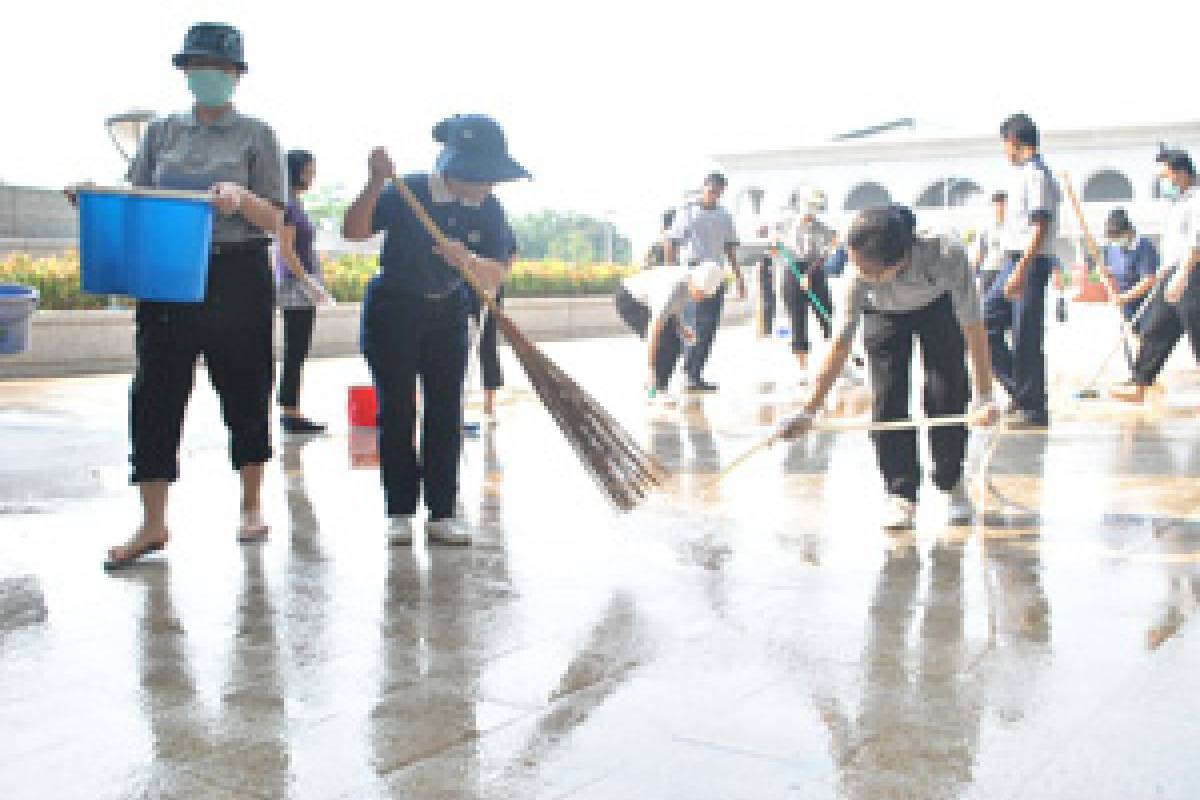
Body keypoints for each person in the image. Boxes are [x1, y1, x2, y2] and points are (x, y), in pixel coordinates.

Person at [96, 23, 286, 570]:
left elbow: (276, 217)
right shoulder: (162, 133)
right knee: (155, 392)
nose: (209, 76)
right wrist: (91, 202)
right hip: (169, 275)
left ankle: (250, 505)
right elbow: (137, 198)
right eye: (199, 66)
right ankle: (152, 522)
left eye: (220, 68)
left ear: (235, 76)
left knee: (246, 387)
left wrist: (240, 197)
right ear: (185, 71)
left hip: (237, 271)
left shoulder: (256, 134)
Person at [342, 114, 524, 547]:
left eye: (491, 178)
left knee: (446, 415)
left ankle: (442, 511)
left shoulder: (490, 208)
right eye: (479, 177)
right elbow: (354, 230)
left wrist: (468, 262)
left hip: (448, 316)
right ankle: (400, 511)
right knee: (397, 412)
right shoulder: (410, 190)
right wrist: (373, 181)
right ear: (453, 166)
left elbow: (496, 274)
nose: (486, 187)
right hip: (393, 312)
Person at [777, 206, 999, 530]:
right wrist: (809, 409)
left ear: (899, 260)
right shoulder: (857, 275)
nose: (857, 272)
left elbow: (974, 326)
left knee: (946, 393)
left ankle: (951, 483)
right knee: (888, 399)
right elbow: (839, 344)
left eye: (868, 271)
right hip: (882, 315)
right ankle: (900, 493)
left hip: (938, 308)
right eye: (854, 264)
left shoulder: (946, 252)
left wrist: (984, 395)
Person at [983, 113, 1060, 428]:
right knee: (984, 322)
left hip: (1029, 262)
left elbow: (1040, 227)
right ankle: (1021, 391)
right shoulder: (1022, 175)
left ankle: (1033, 408)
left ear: (1013, 141)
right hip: (1012, 262)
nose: (1004, 151)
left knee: (1026, 335)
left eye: (1005, 143)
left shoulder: (1037, 176)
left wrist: (1021, 270)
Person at [1111, 150, 1200, 403]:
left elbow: (1196, 242)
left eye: (1164, 176)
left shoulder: (1197, 201)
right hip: (1173, 272)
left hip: (1192, 273)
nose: (1163, 183)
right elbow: (1175, 245)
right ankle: (1140, 385)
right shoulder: (1177, 203)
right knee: (1155, 329)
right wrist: (1164, 272)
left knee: (1197, 331)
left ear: (1180, 173)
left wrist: (1182, 276)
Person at [665, 172, 745, 392]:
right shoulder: (687, 211)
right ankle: (687, 372)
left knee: (709, 325)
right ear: (704, 187)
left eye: (719, 192)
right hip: (693, 271)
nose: (714, 195)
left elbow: (729, 247)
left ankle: (696, 373)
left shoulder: (724, 216)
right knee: (692, 321)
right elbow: (671, 241)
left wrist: (739, 277)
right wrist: (670, 271)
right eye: (712, 190)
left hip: (715, 274)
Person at [276, 149, 334, 434]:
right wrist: (310, 283)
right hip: (295, 285)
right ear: (296, 171)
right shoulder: (287, 204)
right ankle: (290, 411)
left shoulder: (293, 203)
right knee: (296, 349)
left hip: (299, 283)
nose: (312, 176)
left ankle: (289, 408)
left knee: (297, 348)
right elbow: (286, 250)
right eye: (309, 171)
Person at [613, 262, 727, 397]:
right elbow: (653, 332)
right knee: (663, 341)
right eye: (700, 292)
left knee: (676, 343)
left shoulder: (689, 284)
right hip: (630, 298)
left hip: (647, 301)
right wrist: (650, 369)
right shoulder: (671, 289)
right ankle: (653, 390)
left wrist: (681, 327)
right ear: (693, 282)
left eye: (704, 295)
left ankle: (659, 389)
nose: (700, 298)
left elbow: (674, 308)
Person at [772, 189, 838, 380]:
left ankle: (836, 365)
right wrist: (774, 246)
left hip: (814, 271)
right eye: (810, 206)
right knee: (797, 321)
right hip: (791, 272)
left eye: (816, 207)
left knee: (826, 317)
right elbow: (774, 250)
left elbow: (824, 254)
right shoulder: (784, 225)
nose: (812, 211)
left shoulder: (823, 229)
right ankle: (801, 370)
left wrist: (808, 274)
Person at [974, 191, 1008, 296]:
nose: (999, 208)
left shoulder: (1012, 227)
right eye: (997, 205)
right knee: (986, 303)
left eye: (1002, 205)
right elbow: (979, 253)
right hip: (989, 271)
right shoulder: (985, 227)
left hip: (1006, 270)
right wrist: (974, 274)